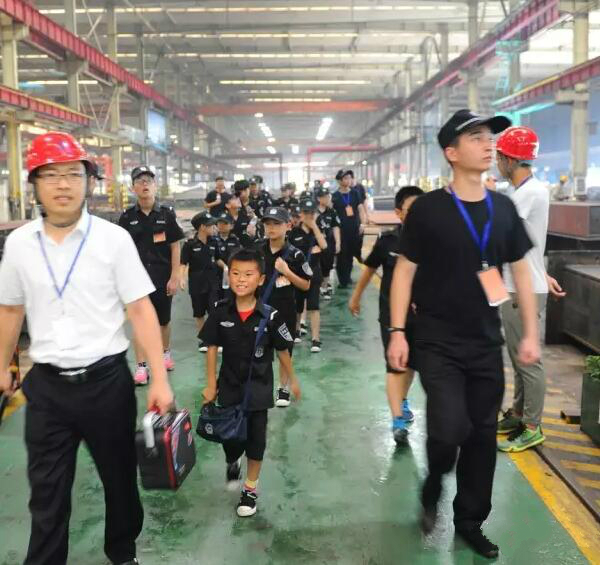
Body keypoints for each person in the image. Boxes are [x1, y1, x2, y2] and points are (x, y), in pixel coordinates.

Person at [0, 131, 174, 565]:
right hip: (47, 389)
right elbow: (10, 310)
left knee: (120, 481)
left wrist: (159, 377)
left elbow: (140, 309)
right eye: (51, 175)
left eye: (73, 174)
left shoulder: (113, 240)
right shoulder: (20, 244)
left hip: (107, 385)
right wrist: (2, 365)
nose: (63, 184)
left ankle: (123, 552)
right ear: (34, 183)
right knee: (47, 493)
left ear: (88, 181)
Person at [387, 109, 540, 558]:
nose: (489, 143)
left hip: (485, 342)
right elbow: (404, 272)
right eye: (476, 137)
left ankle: (470, 521)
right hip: (437, 340)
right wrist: (397, 332)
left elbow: (521, 270)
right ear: (451, 153)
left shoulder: (503, 209)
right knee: (448, 429)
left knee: (480, 437)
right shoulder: (429, 210)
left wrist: (531, 333)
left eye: (490, 136)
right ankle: (435, 479)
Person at [200, 247, 301, 517]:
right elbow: (211, 346)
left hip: (258, 389)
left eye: (248, 274)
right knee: (231, 439)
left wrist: (292, 380)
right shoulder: (221, 312)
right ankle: (232, 460)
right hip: (229, 386)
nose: (241, 279)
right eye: (235, 273)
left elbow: (282, 350)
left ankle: (250, 489)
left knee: (256, 442)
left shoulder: (270, 315)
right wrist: (210, 384)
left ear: (261, 279)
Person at [494, 126, 566, 452]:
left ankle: (533, 426)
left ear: (510, 159)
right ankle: (520, 414)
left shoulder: (527, 194)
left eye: (499, 157)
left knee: (528, 361)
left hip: (520, 288)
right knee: (517, 356)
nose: (497, 163)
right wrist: (543, 273)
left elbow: (499, 236)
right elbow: (527, 243)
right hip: (523, 283)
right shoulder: (525, 190)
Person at [349, 186, 423, 445]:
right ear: (398, 213)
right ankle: (397, 420)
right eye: (411, 210)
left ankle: (402, 400)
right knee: (395, 363)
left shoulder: (433, 242)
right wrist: (356, 297)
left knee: (411, 365)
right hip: (391, 315)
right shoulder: (388, 241)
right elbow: (370, 269)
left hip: (422, 316)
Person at [118, 166, 184, 384]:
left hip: (162, 276)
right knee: (139, 323)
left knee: (163, 321)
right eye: (140, 181)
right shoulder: (127, 217)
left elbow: (175, 245)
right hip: (136, 279)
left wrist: (175, 276)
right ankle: (141, 366)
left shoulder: (166, 214)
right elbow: (121, 251)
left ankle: (165, 353)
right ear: (133, 188)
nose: (144, 184)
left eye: (148, 180)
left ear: (155, 186)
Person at [258, 207, 311, 407]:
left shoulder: (295, 255)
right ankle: (261, 387)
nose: (271, 228)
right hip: (259, 308)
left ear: (288, 226)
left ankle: (283, 388)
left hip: (284, 309)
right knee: (259, 350)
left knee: (284, 350)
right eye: (267, 224)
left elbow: (306, 285)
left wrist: (287, 272)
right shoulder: (256, 249)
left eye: (276, 224)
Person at [289, 199, 328, 353]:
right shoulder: (294, 232)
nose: (309, 216)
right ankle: (296, 330)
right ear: (301, 214)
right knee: (298, 305)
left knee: (314, 306)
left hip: (314, 273)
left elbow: (324, 246)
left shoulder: (317, 230)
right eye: (306, 213)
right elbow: (290, 252)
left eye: (312, 213)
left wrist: (315, 227)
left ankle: (316, 339)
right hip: (298, 274)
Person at [180, 211, 219, 352]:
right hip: (197, 283)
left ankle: (214, 339)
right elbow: (183, 263)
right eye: (211, 225)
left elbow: (218, 259)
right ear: (202, 227)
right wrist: (182, 278)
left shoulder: (214, 242)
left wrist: (227, 268)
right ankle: (203, 340)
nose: (214, 227)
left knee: (214, 311)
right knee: (199, 313)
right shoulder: (190, 244)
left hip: (213, 282)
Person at [332, 169, 367, 288]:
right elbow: (332, 214)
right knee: (342, 255)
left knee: (351, 254)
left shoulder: (355, 193)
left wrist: (363, 223)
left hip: (354, 229)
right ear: (339, 181)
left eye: (350, 178)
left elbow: (360, 208)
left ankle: (347, 276)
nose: (349, 180)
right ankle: (343, 280)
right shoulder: (335, 197)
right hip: (341, 231)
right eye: (346, 178)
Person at [315, 186, 341, 300]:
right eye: (324, 197)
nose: (327, 199)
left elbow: (336, 227)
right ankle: (320, 286)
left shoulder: (332, 212)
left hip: (329, 243)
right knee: (317, 266)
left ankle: (324, 286)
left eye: (328, 196)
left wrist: (338, 242)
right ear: (318, 198)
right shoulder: (313, 212)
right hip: (315, 244)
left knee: (327, 265)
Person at [215, 213, 241, 300]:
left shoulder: (235, 240)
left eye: (225, 223)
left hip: (231, 275)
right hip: (216, 275)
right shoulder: (212, 240)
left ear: (231, 226)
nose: (221, 226)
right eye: (219, 223)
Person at [229, 180, 258, 248]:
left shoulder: (255, 203)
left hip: (250, 240)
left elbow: (260, 221)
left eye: (246, 190)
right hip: (234, 242)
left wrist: (254, 218)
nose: (244, 193)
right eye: (241, 191)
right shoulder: (234, 205)